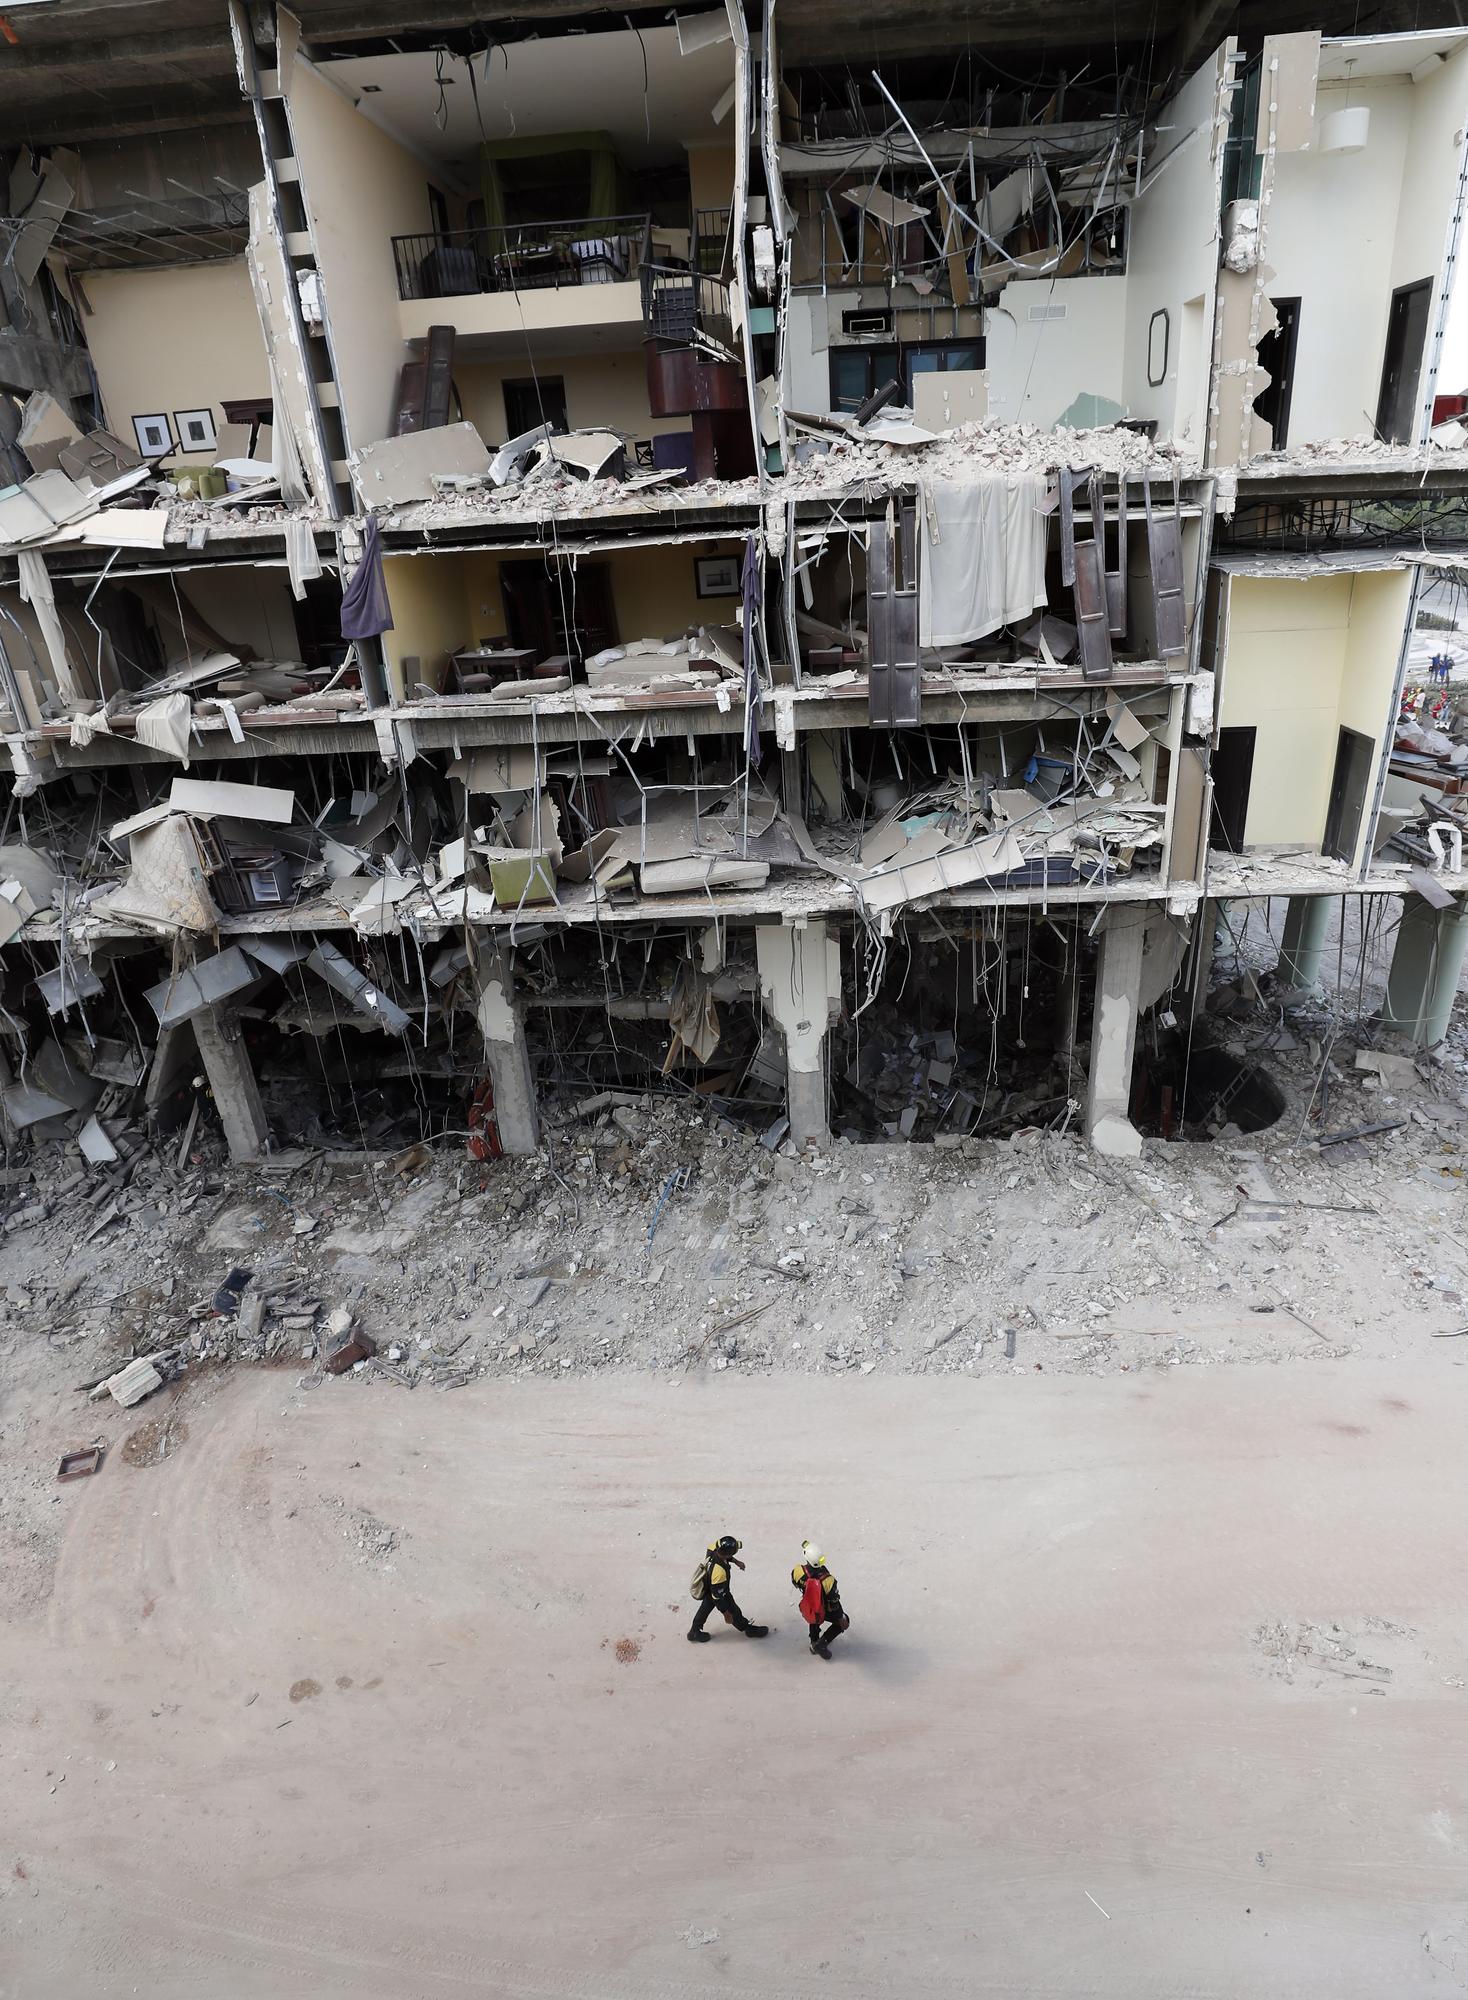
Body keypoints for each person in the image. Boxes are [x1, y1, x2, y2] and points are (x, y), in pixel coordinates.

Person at [687, 1535, 769, 1643]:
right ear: (727, 1554)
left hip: (710, 1586)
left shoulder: (713, 1548)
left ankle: (694, 1632)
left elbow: (724, 1554)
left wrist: (736, 1561)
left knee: (704, 1609)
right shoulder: (719, 1573)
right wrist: (726, 1614)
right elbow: (717, 1598)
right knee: (733, 1610)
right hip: (719, 1592)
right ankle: (747, 1629)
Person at [792, 1541, 848, 1659]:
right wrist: (841, 1617)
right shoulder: (828, 1581)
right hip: (823, 1609)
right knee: (843, 1622)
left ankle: (814, 1642)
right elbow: (834, 1602)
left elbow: (795, 1582)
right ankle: (821, 1644)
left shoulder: (798, 1571)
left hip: (808, 1606)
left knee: (814, 1620)